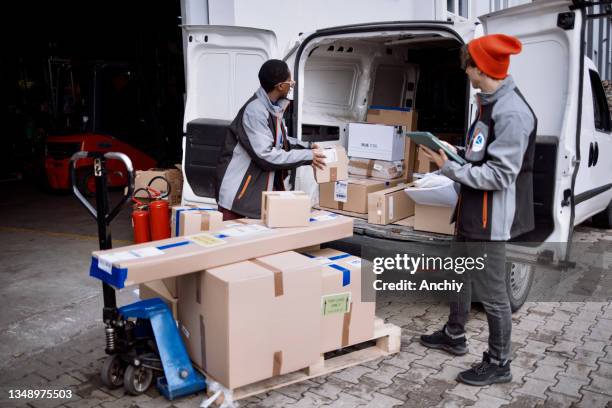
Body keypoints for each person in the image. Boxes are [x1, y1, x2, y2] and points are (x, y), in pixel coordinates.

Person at [419, 34, 537, 386]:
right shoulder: (489, 103)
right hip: (470, 211)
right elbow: (481, 154)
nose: (466, 73)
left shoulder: (512, 112)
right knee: (459, 273)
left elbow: (500, 174)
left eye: (468, 66)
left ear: (480, 68)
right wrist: (451, 151)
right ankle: (454, 334)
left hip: (490, 220)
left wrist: (448, 168)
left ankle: (499, 362)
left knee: (494, 295)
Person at [216, 59, 326, 220]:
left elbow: (279, 140)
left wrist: (308, 147)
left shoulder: (272, 107)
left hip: (252, 195)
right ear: (280, 86)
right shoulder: (255, 111)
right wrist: (309, 156)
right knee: (238, 244)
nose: (292, 84)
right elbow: (265, 156)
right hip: (239, 196)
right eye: (290, 81)